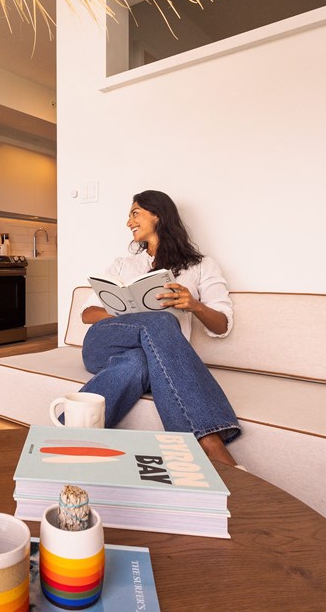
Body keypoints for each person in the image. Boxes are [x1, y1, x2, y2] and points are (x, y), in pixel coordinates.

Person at [78, 190, 241, 467]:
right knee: (162, 320)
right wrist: (130, 312)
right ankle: (211, 441)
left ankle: (71, 434)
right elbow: (88, 314)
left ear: (158, 215)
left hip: (151, 356)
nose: (129, 222)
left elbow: (222, 325)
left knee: (139, 361)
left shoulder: (201, 266)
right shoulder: (122, 265)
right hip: (104, 344)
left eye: (135, 213)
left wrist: (194, 305)